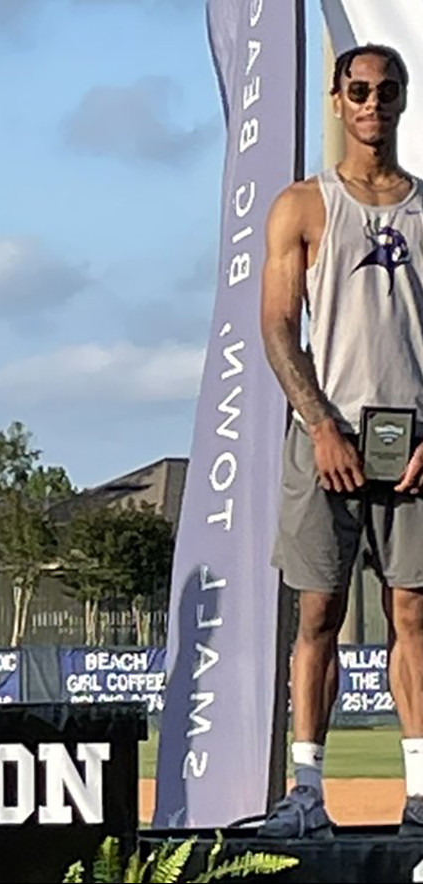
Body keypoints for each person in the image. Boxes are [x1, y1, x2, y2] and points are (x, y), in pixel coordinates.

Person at [258, 43, 423, 838]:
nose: (371, 104)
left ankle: (420, 792)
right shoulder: (303, 205)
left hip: (412, 437)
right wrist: (320, 424)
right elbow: (277, 328)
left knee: (412, 614)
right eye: (358, 90)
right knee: (318, 612)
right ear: (336, 99)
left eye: (386, 91)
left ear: (403, 100)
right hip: (328, 434)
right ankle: (307, 792)